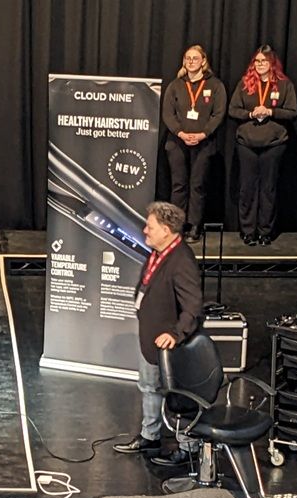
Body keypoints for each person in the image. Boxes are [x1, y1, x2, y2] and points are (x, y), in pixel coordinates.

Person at [112, 201, 203, 467]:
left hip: (171, 346)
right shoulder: (159, 253)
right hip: (150, 340)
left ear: (166, 229)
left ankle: (188, 447)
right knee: (149, 388)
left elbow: (193, 306)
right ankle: (150, 436)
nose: (145, 230)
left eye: (150, 227)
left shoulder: (181, 261)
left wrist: (176, 334)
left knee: (180, 396)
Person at [229, 45, 297, 247]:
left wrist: (270, 112)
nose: (260, 65)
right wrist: (249, 114)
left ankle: (265, 231)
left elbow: (293, 112)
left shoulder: (284, 85)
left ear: (272, 64)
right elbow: (233, 110)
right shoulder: (245, 84)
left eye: (264, 61)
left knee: (268, 189)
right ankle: (248, 231)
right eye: (257, 61)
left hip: (274, 144)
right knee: (247, 188)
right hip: (247, 143)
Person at [161, 45, 226, 242]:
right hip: (177, 141)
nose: (191, 61)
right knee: (179, 185)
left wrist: (203, 133)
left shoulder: (215, 86)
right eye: (187, 58)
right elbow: (167, 113)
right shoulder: (176, 85)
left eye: (195, 58)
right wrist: (180, 132)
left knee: (197, 185)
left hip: (203, 143)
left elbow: (218, 113)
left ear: (203, 61)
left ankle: (194, 226)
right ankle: (177, 226)